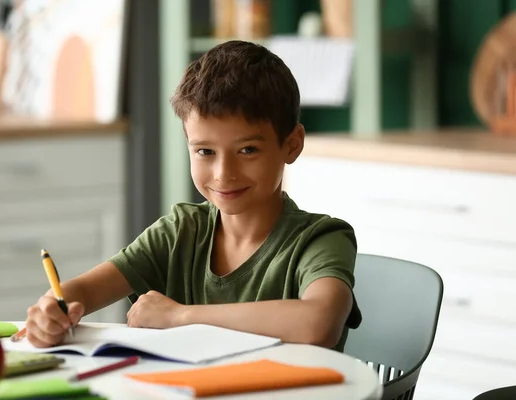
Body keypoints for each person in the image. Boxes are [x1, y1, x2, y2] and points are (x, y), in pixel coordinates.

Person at [25, 40, 361, 352]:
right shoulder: (181, 231)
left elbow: (318, 323)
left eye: (247, 150)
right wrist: (52, 310)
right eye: (204, 151)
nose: (223, 173)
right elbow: (84, 291)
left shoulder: (321, 239)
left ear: (292, 145)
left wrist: (180, 316)